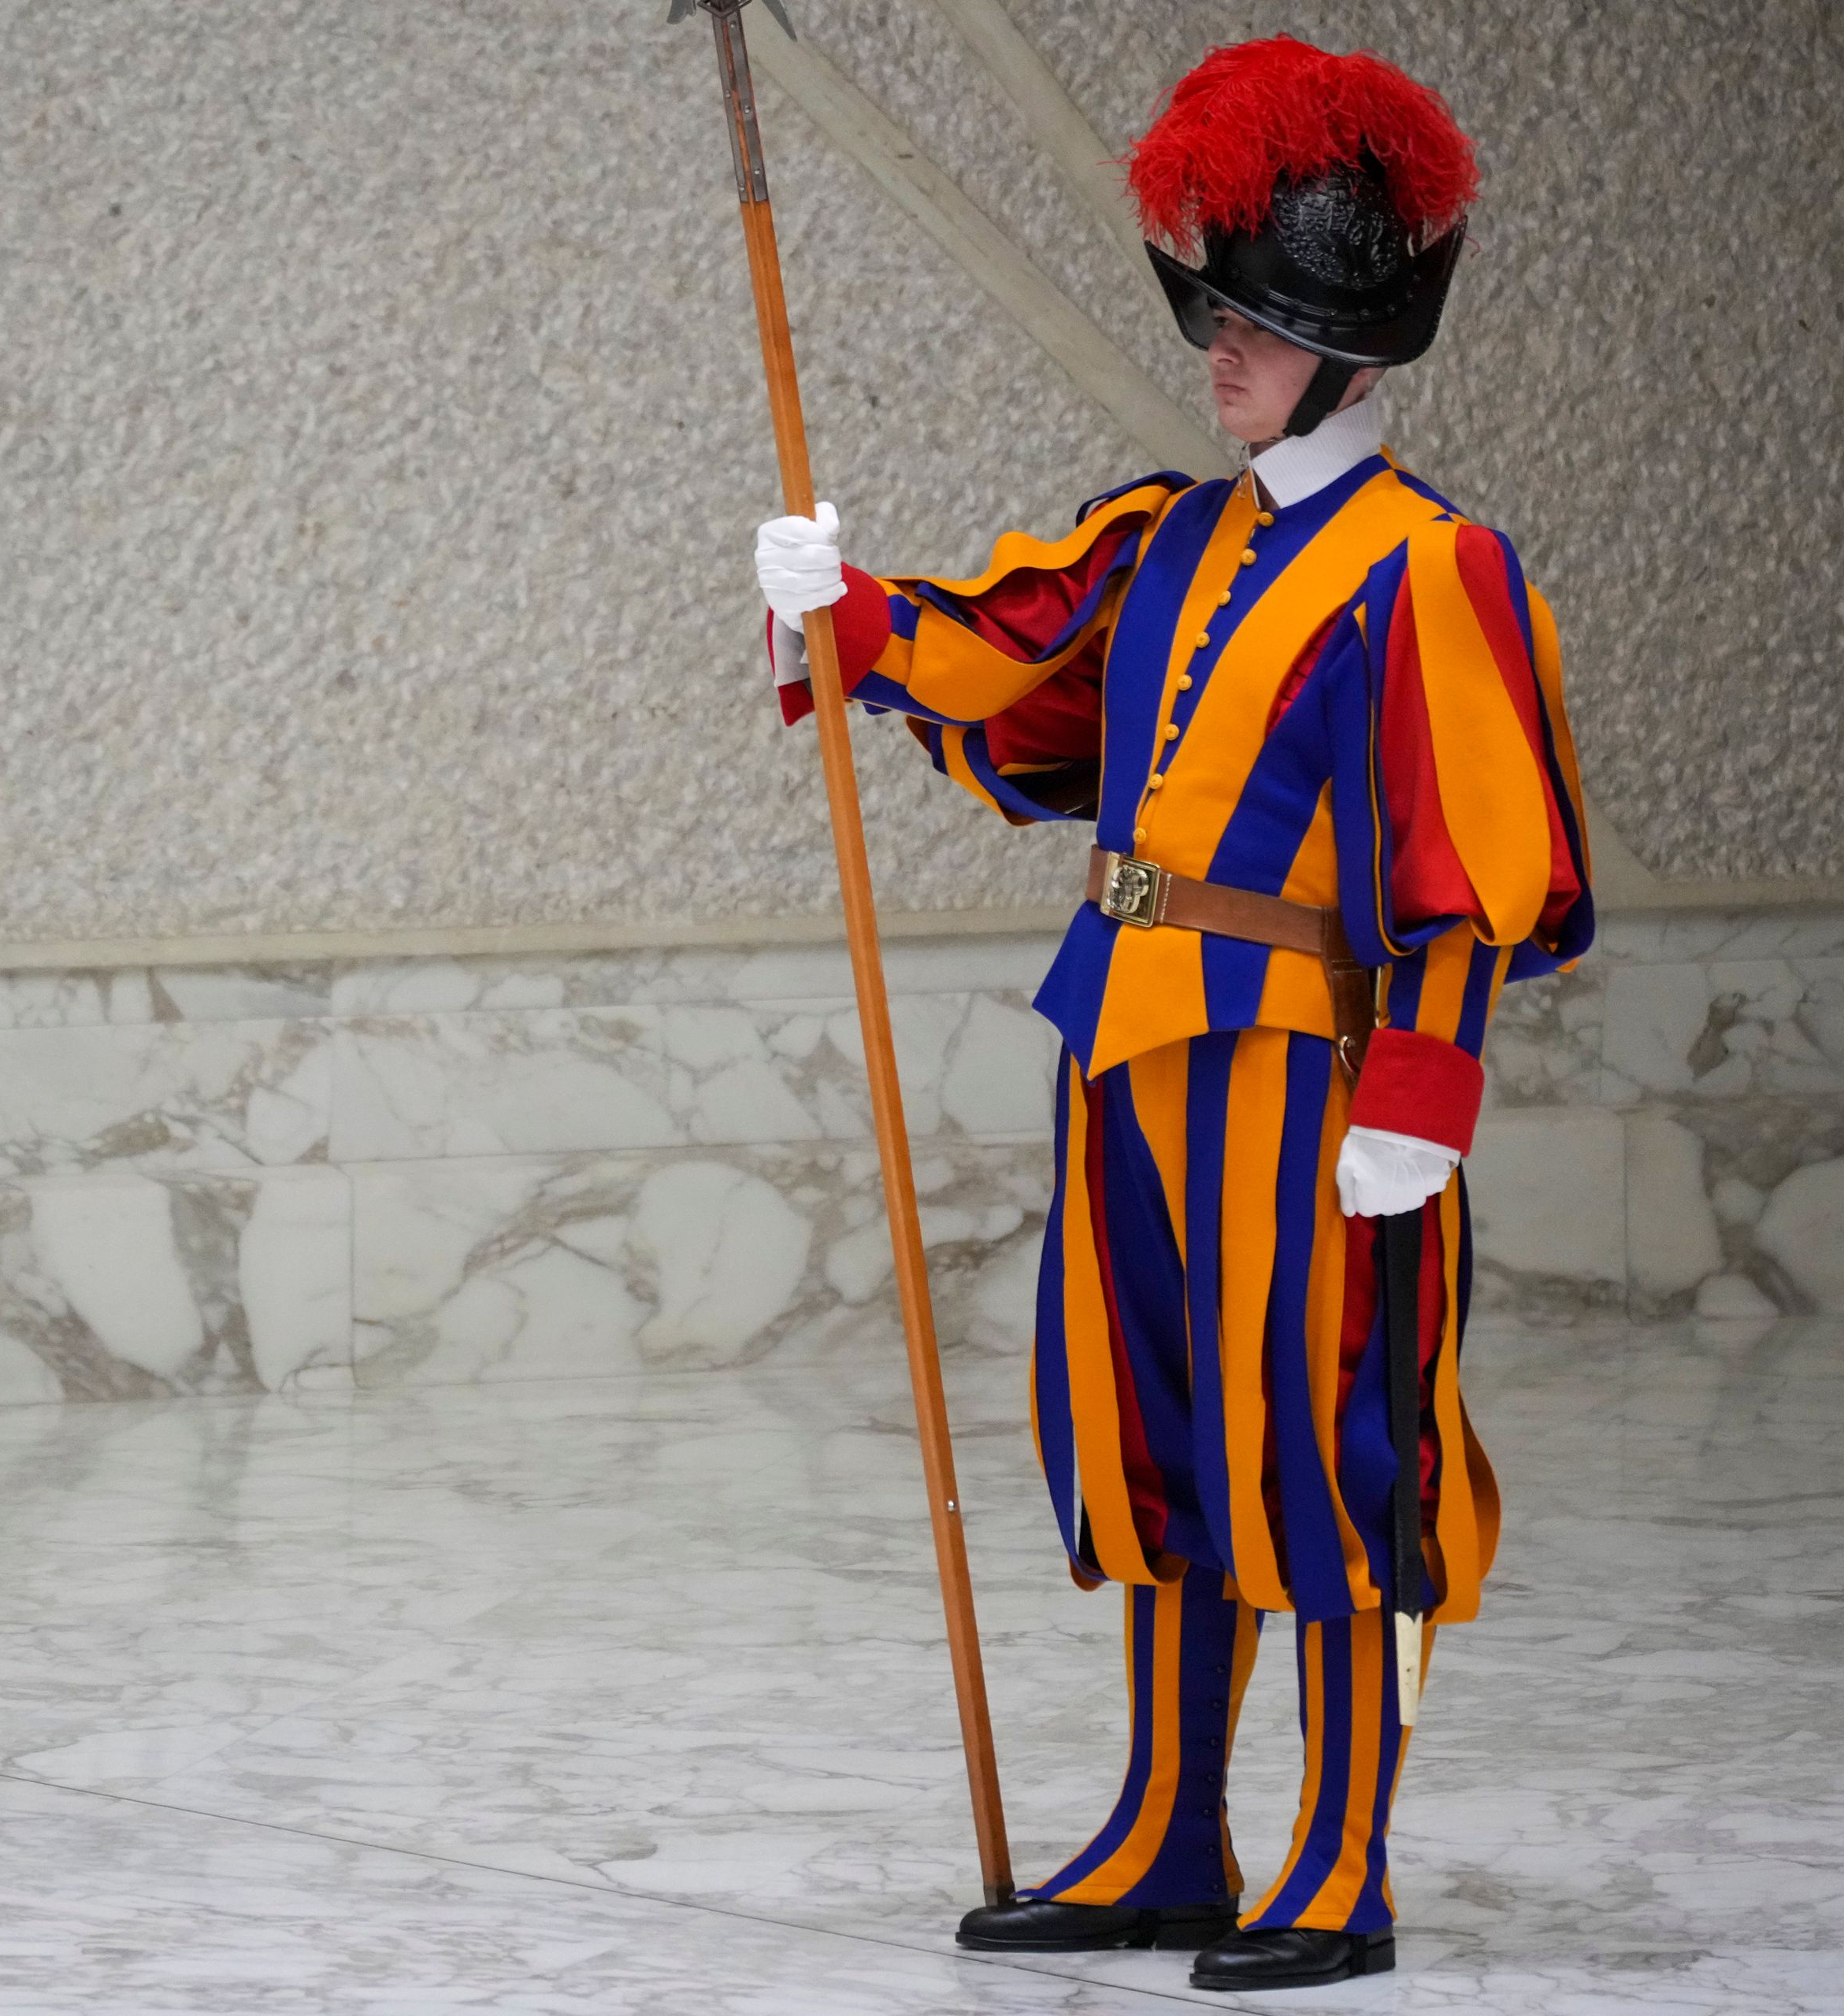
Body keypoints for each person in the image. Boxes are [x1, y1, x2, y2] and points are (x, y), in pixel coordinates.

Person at [751, 39, 1593, 1993]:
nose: (1222, 348)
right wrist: (848, 610)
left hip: (1315, 1079)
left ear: (1352, 353)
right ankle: (1168, 1828)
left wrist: (1426, 1090)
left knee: (1326, 1446)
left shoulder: (1428, 566)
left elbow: (1476, 853)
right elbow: (1015, 675)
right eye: (1218, 310)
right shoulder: (1164, 535)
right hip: (1126, 1044)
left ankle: (1337, 1859)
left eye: (1262, 324)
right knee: (1154, 1435)